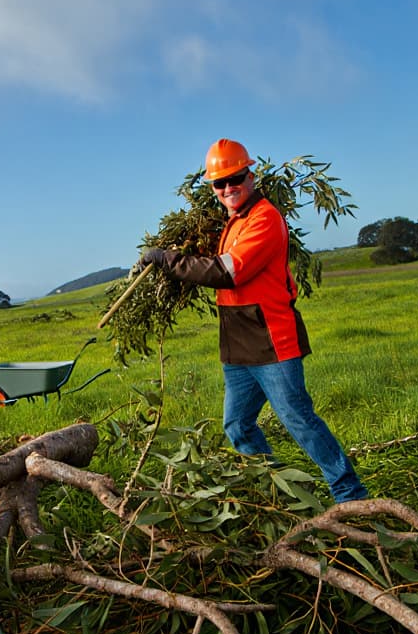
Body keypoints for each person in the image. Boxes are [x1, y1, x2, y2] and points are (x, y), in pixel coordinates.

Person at [139, 139, 369, 504]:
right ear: (213, 188)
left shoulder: (264, 219)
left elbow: (228, 272)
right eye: (220, 183)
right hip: (238, 347)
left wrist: (168, 260)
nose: (229, 188)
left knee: (300, 422)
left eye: (236, 178)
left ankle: (350, 495)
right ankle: (276, 492)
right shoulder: (233, 222)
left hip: (272, 342)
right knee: (238, 425)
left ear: (251, 175)